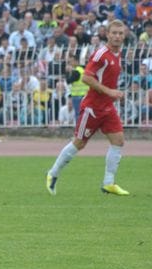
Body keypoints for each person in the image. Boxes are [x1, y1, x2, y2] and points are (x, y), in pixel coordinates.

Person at [46, 20, 130, 196]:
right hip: (92, 108)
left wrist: (115, 95)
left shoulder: (118, 55)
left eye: (120, 33)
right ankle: (52, 174)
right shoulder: (101, 54)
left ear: (124, 35)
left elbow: (107, 81)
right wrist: (110, 92)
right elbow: (86, 78)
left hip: (107, 107)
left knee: (119, 141)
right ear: (107, 34)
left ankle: (108, 183)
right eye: (114, 33)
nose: (117, 36)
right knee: (79, 143)